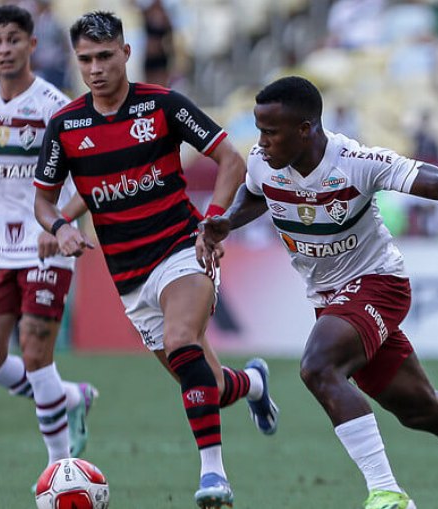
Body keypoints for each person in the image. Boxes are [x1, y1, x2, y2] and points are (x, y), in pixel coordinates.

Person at [196, 76, 438, 509]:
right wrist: (228, 221)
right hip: (331, 299)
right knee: (422, 409)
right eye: (260, 131)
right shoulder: (263, 161)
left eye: (271, 132)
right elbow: (256, 194)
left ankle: (387, 492)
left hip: (379, 283)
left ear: (306, 129)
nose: (262, 142)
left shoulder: (354, 161)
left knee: (318, 366)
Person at [33, 11, 278, 509]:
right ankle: (252, 384)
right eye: (86, 59)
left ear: (126, 53)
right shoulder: (65, 126)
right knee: (202, 381)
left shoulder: (163, 106)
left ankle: (214, 476)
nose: (97, 67)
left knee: (181, 340)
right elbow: (44, 200)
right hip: (127, 276)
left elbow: (231, 160)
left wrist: (213, 220)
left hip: (184, 248)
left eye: (106, 56)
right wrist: (60, 228)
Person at [0, 5, 97, 485]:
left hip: (46, 248)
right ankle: (71, 397)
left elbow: (88, 179)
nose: (4, 49)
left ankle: (60, 469)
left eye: (13, 40)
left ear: (32, 45)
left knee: (37, 353)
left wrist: (58, 224)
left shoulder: (56, 108)